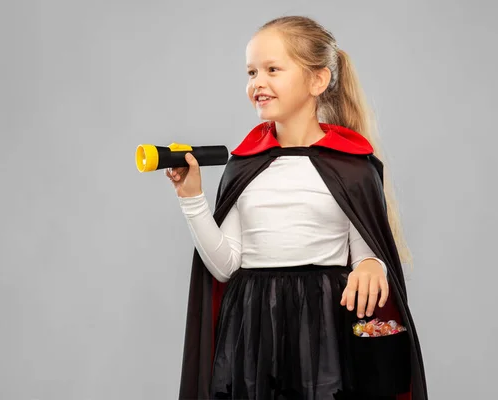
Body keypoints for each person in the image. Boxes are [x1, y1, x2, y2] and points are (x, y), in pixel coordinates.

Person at [166, 16, 428, 400]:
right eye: (252, 71)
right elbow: (225, 265)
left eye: (273, 69)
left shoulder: (353, 166)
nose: (258, 82)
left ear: (317, 81)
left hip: (324, 325)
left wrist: (372, 264)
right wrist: (191, 198)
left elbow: (367, 248)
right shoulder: (244, 164)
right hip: (252, 325)